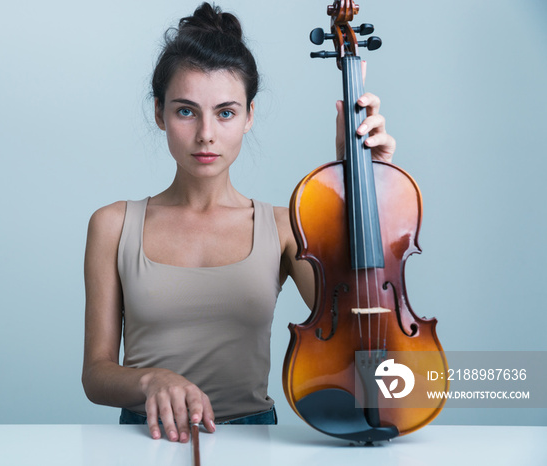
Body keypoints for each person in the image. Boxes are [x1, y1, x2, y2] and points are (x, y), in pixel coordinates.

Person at [82, 3, 396, 444]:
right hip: (142, 440)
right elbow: (95, 374)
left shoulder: (287, 227)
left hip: (252, 440)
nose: (206, 134)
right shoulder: (112, 225)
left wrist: (362, 177)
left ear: (249, 116)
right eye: (186, 111)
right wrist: (151, 381)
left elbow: (358, 329)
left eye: (225, 112)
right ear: (159, 114)